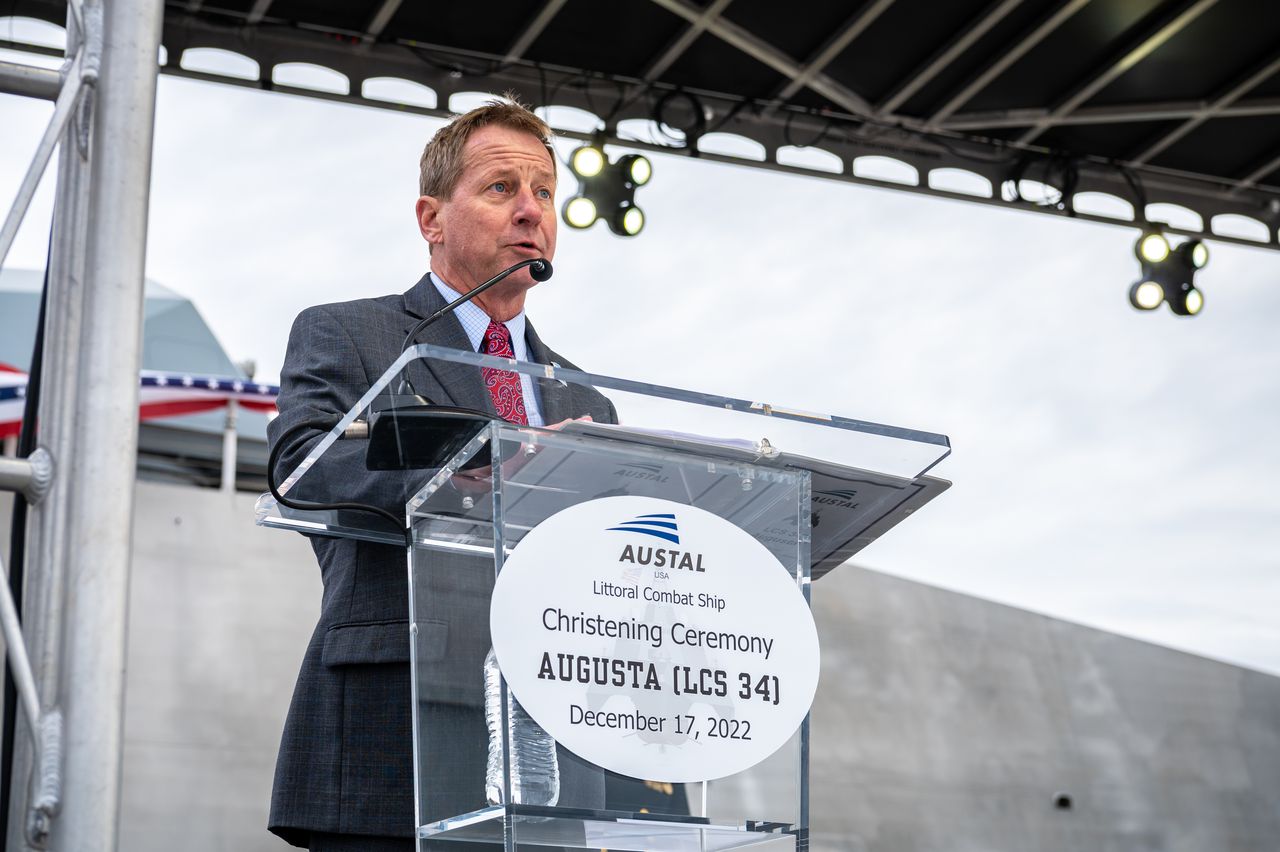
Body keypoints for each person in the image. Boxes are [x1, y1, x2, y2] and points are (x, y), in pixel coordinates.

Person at [267, 97, 617, 851]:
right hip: (393, 720)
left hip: (553, 732)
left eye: (546, 193)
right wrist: (466, 479)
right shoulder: (349, 334)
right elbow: (301, 465)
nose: (531, 211)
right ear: (431, 218)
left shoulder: (586, 400)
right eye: (502, 189)